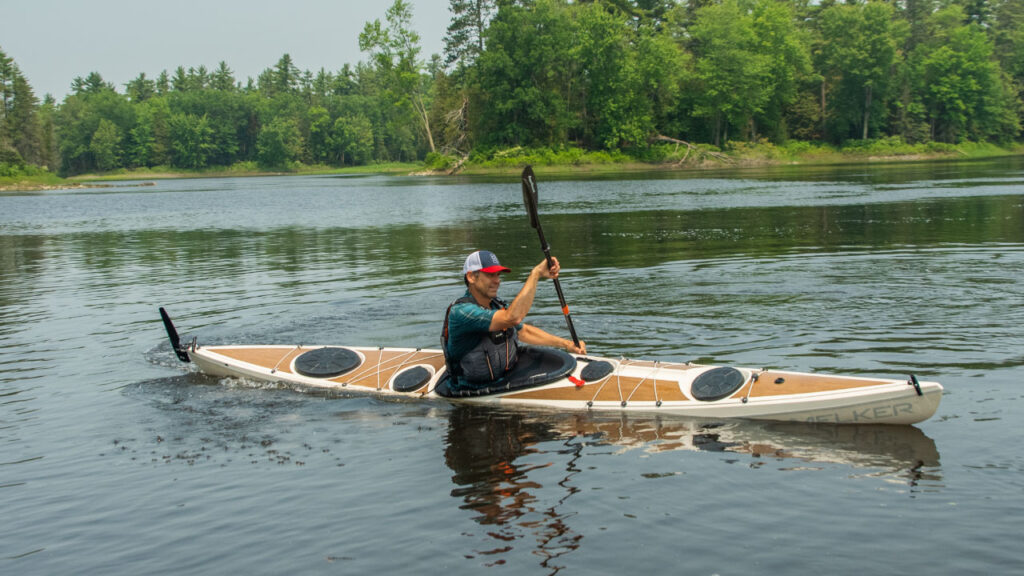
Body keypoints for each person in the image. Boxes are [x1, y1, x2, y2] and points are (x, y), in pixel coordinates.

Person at [442, 250, 587, 391]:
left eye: (498, 275)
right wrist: (535, 274)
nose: (497, 280)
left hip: (505, 379)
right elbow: (512, 318)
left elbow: (524, 332)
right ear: (471, 277)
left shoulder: (496, 305)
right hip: (469, 389)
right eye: (491, 275)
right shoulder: (462, 312)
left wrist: (567, 344)